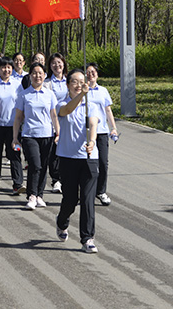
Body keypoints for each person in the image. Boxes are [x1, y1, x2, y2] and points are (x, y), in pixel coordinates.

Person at [55, 68, 100, 253]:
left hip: (89, 158)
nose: (79, 85)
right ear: (67, 85)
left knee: (88, 199)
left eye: (82, 82)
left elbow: (93, 124)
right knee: (70, 199)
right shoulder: (61, 103)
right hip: (68, 157)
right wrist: (82, 95)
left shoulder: (91, 105)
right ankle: (61, 222)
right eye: (75, 82)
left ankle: (87, 238)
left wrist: (92, 141)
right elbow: (67, 110)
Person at [13, 62, 59, 210]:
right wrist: (15, 137)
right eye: (34, 73)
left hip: (47, 134)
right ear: (30, 75)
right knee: (35, 164)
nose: (37, 76)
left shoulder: (49, 94)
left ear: (44, 75)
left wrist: (58, 132)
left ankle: (39, 195)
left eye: (40, 73)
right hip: (29, 134)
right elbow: (18, 118)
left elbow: (54, 115)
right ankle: (32, 195)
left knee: (43, 166)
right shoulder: (24, 95)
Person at [0, 56, 24, 193]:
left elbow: (21, 102)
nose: (6, 70)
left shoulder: (17, 84)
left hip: (13, 125)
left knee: (14, 153)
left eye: (9, 67)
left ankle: (17, 183)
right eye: (3, 67)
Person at [85, 62, 118, 206]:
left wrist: (113, 127)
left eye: (93, 72)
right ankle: (86, 191)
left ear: (97, 74)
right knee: (87, 163)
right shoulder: (82, 90)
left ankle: (101, 191)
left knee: (103, 163)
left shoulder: (103, 91)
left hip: (102, 131)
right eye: (88, 72)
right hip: (87, 132)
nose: (90, 74)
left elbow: (108, 110)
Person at [46, 53, 68, 194]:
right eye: (53, 63)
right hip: (52, 121)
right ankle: (56, 180)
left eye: (59, 62)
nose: (57, 65)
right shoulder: (47, 83)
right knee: (54, 152)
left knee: (66, 151)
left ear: (64, 64)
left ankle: (66, 177)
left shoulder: (69, 81)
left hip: (67, 121)